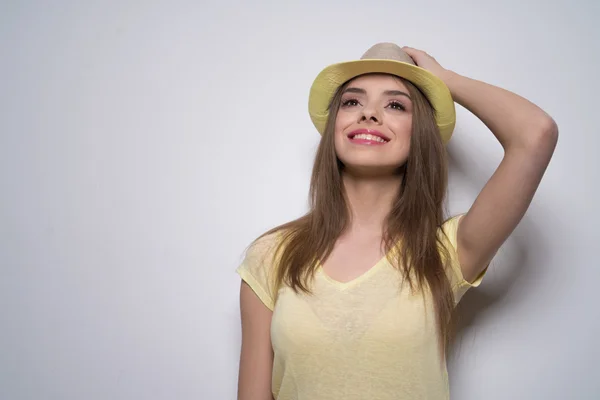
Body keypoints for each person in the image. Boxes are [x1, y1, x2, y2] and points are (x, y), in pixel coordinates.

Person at [235, 43, 558, 400]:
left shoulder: (445, 252)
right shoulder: (271, 254)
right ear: (334, 125)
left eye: (395, 105)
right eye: (352, 101)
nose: (369, 114)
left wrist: (445, 80)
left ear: (418, 132)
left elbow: (536, 134)